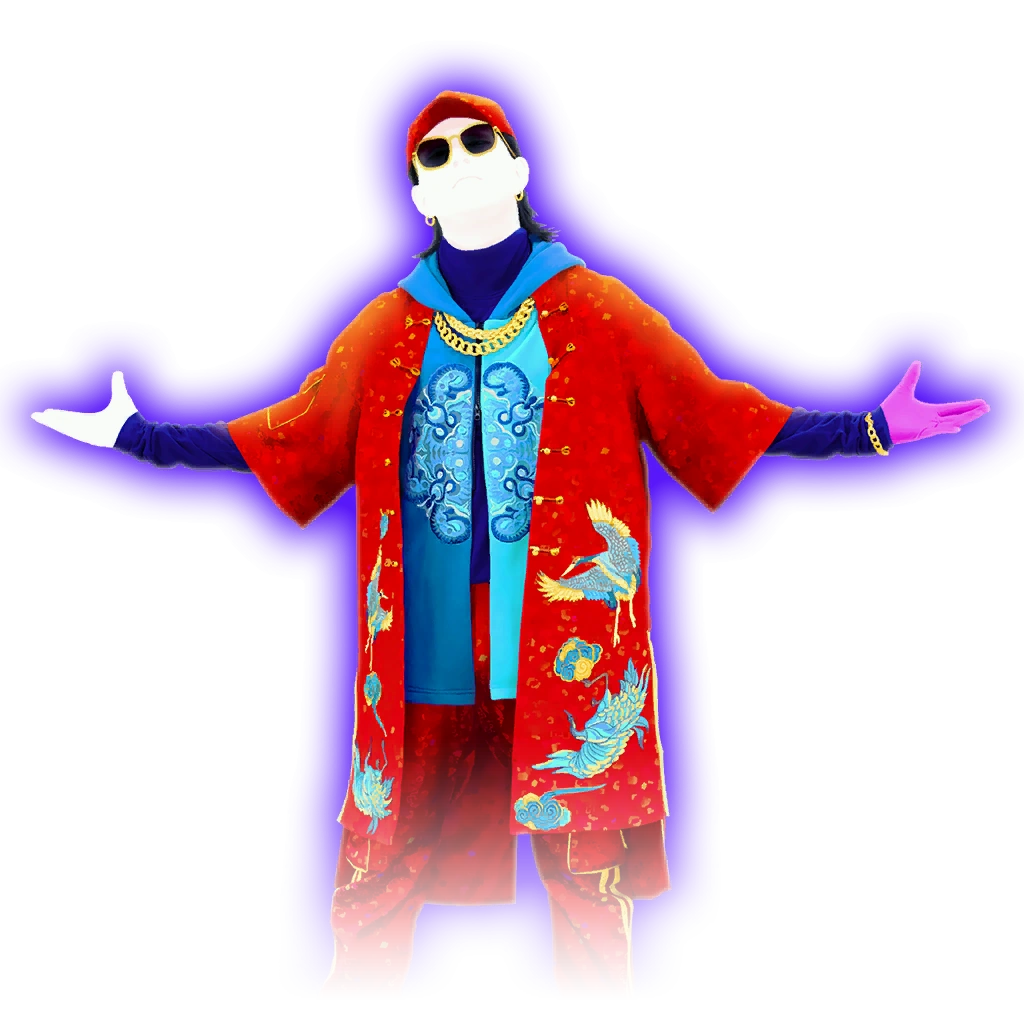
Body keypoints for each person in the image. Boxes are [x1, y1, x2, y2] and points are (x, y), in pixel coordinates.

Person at [30, 90, 991, 1000]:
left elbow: (714, 411)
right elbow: (292, 432)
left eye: (477, 140)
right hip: (424, 658)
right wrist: (142, 438)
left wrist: (867, 429)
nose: (457, 158)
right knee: (376, 868)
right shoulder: (388, 328)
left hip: (569, 659)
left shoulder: (599, 311)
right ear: (418, 194)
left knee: (587, 882)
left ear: (520, 166)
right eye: (433, 153)